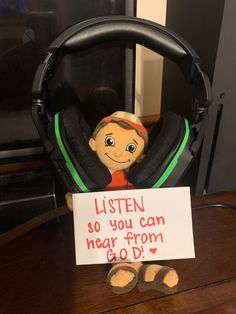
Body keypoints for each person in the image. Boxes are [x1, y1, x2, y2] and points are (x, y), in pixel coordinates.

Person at [66, 111, 179, 294]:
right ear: (93, 144)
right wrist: (76, 201)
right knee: (118, 244)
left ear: (143, 155)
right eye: (110, 142)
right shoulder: (93, 178)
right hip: (107, 232)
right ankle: (128, 266)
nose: (119, 152)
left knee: (137, 242)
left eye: (131, 148)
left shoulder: (139, 176)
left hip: (136, 230)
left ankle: (141, 269)